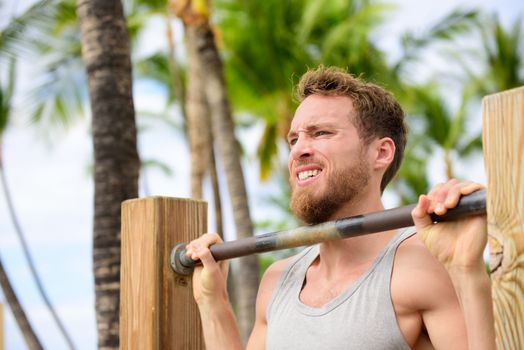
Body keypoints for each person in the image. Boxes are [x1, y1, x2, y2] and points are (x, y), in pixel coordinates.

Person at [184, 66, 495, 349]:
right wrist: (212, 301)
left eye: (321, 133)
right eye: (294, 139)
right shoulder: (278, 280)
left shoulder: (420, 266)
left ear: (380, 153)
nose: (299, 151)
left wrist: (465, 272)